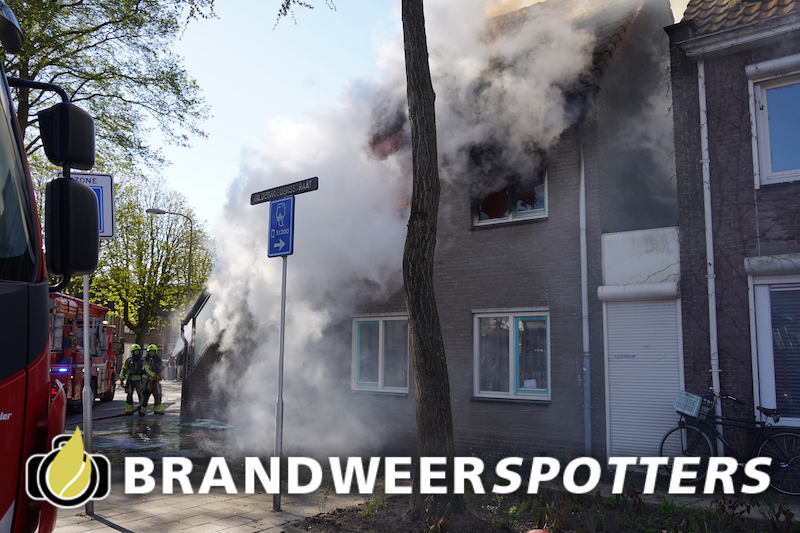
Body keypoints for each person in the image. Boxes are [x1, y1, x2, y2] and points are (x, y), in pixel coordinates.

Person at [119, 344, 145, 415]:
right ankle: (129, 410)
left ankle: (142, 410)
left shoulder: (143, 361)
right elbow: (124, 370)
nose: (136, 352)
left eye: (137, 351)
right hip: (130, 380)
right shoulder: (129, 360)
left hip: (140, 380)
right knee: (129, 395)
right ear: (132, 352)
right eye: (135, 351)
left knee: (141, 395)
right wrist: (121, 379)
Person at [140, 344, 165, 415]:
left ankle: (157, 409)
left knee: (158, 394)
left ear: (155, 352)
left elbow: (162, 366)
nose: (151, 352)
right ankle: (142, 410)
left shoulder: (158, 359)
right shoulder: (146, 359)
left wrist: (161, 371)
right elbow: (147, 369)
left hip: (155, 381)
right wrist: (154, 375)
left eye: (153, 351)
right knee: (145, 395)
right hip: (147, 381)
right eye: (150, 351)